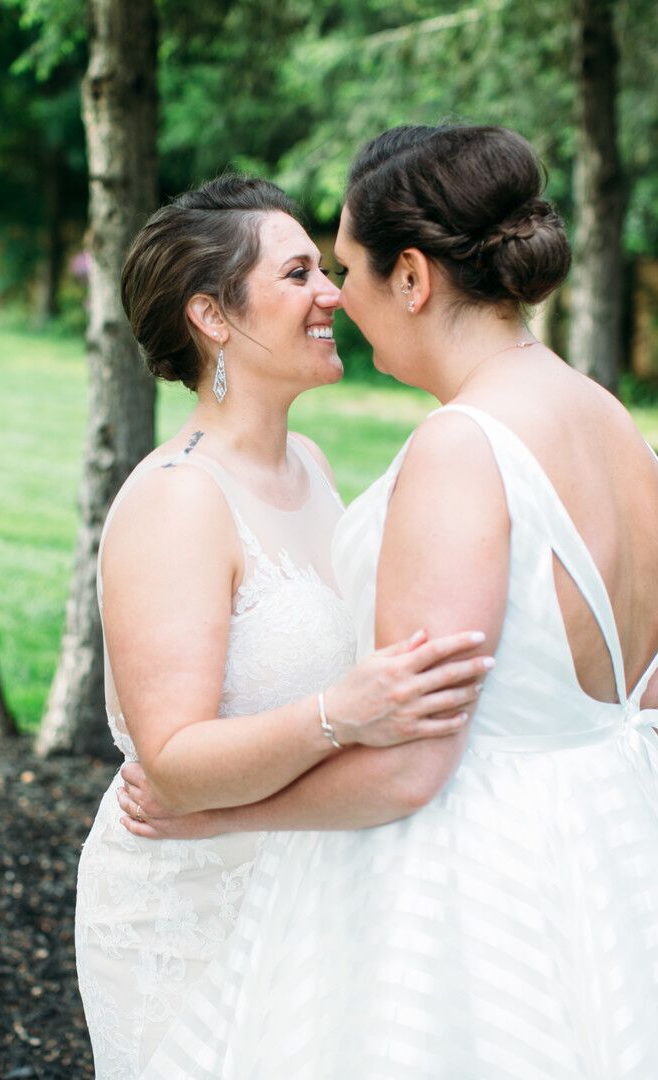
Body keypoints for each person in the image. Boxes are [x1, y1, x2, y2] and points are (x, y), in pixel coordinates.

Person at [124, 127, 658, 1079]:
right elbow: (640, 697)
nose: (341, 296)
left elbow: (414, 771)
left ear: (411, 277)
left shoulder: (465, 445)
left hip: (472, 898)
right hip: (622, 860)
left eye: (348, 268)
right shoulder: (611, 422)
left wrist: (215, 819)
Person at [74, 174, 491, 1080]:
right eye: (298, 274)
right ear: (213, 318)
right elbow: (172, 763)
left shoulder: (309, 462)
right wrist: (343, 712)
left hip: (311, 882)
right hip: (187, 908)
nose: (333, 293)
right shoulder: (178, 500)